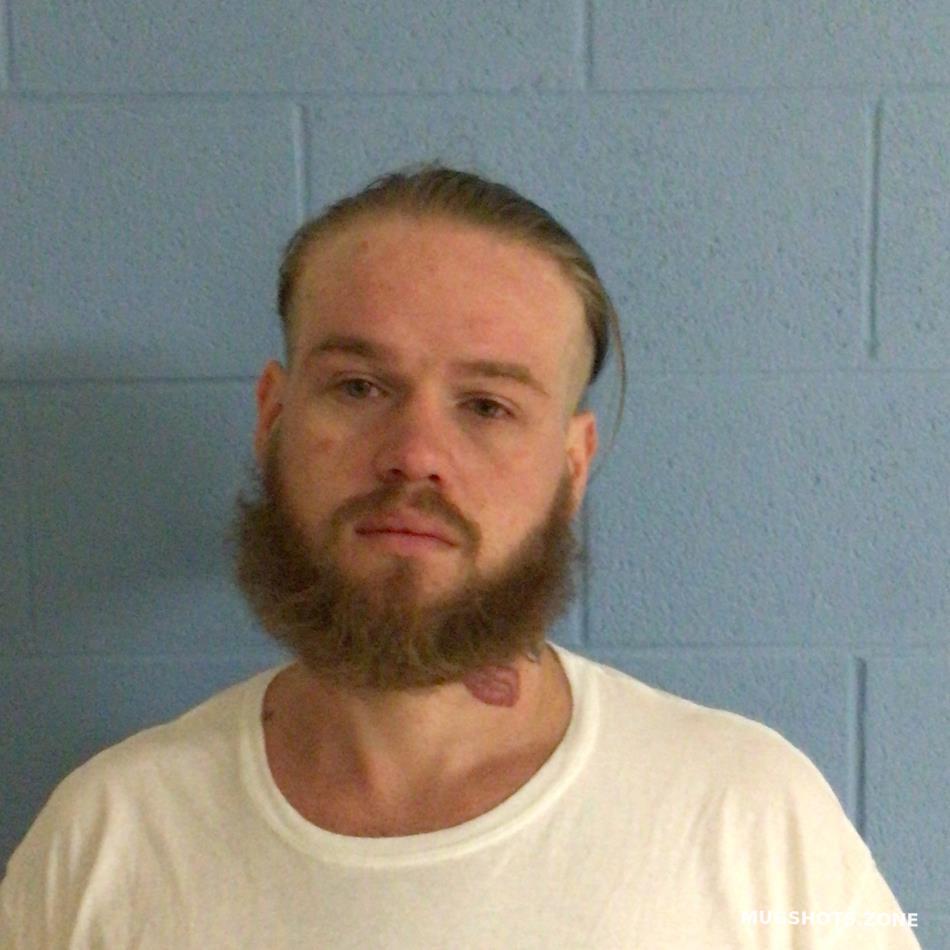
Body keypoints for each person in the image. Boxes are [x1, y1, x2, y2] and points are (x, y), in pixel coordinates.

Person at [1, 165, 920, 948]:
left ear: (572, 465)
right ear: (272, 417)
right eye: (359, 387)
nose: (414, 454)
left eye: (486, 405)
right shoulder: (106, 840)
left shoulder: (749, 816)